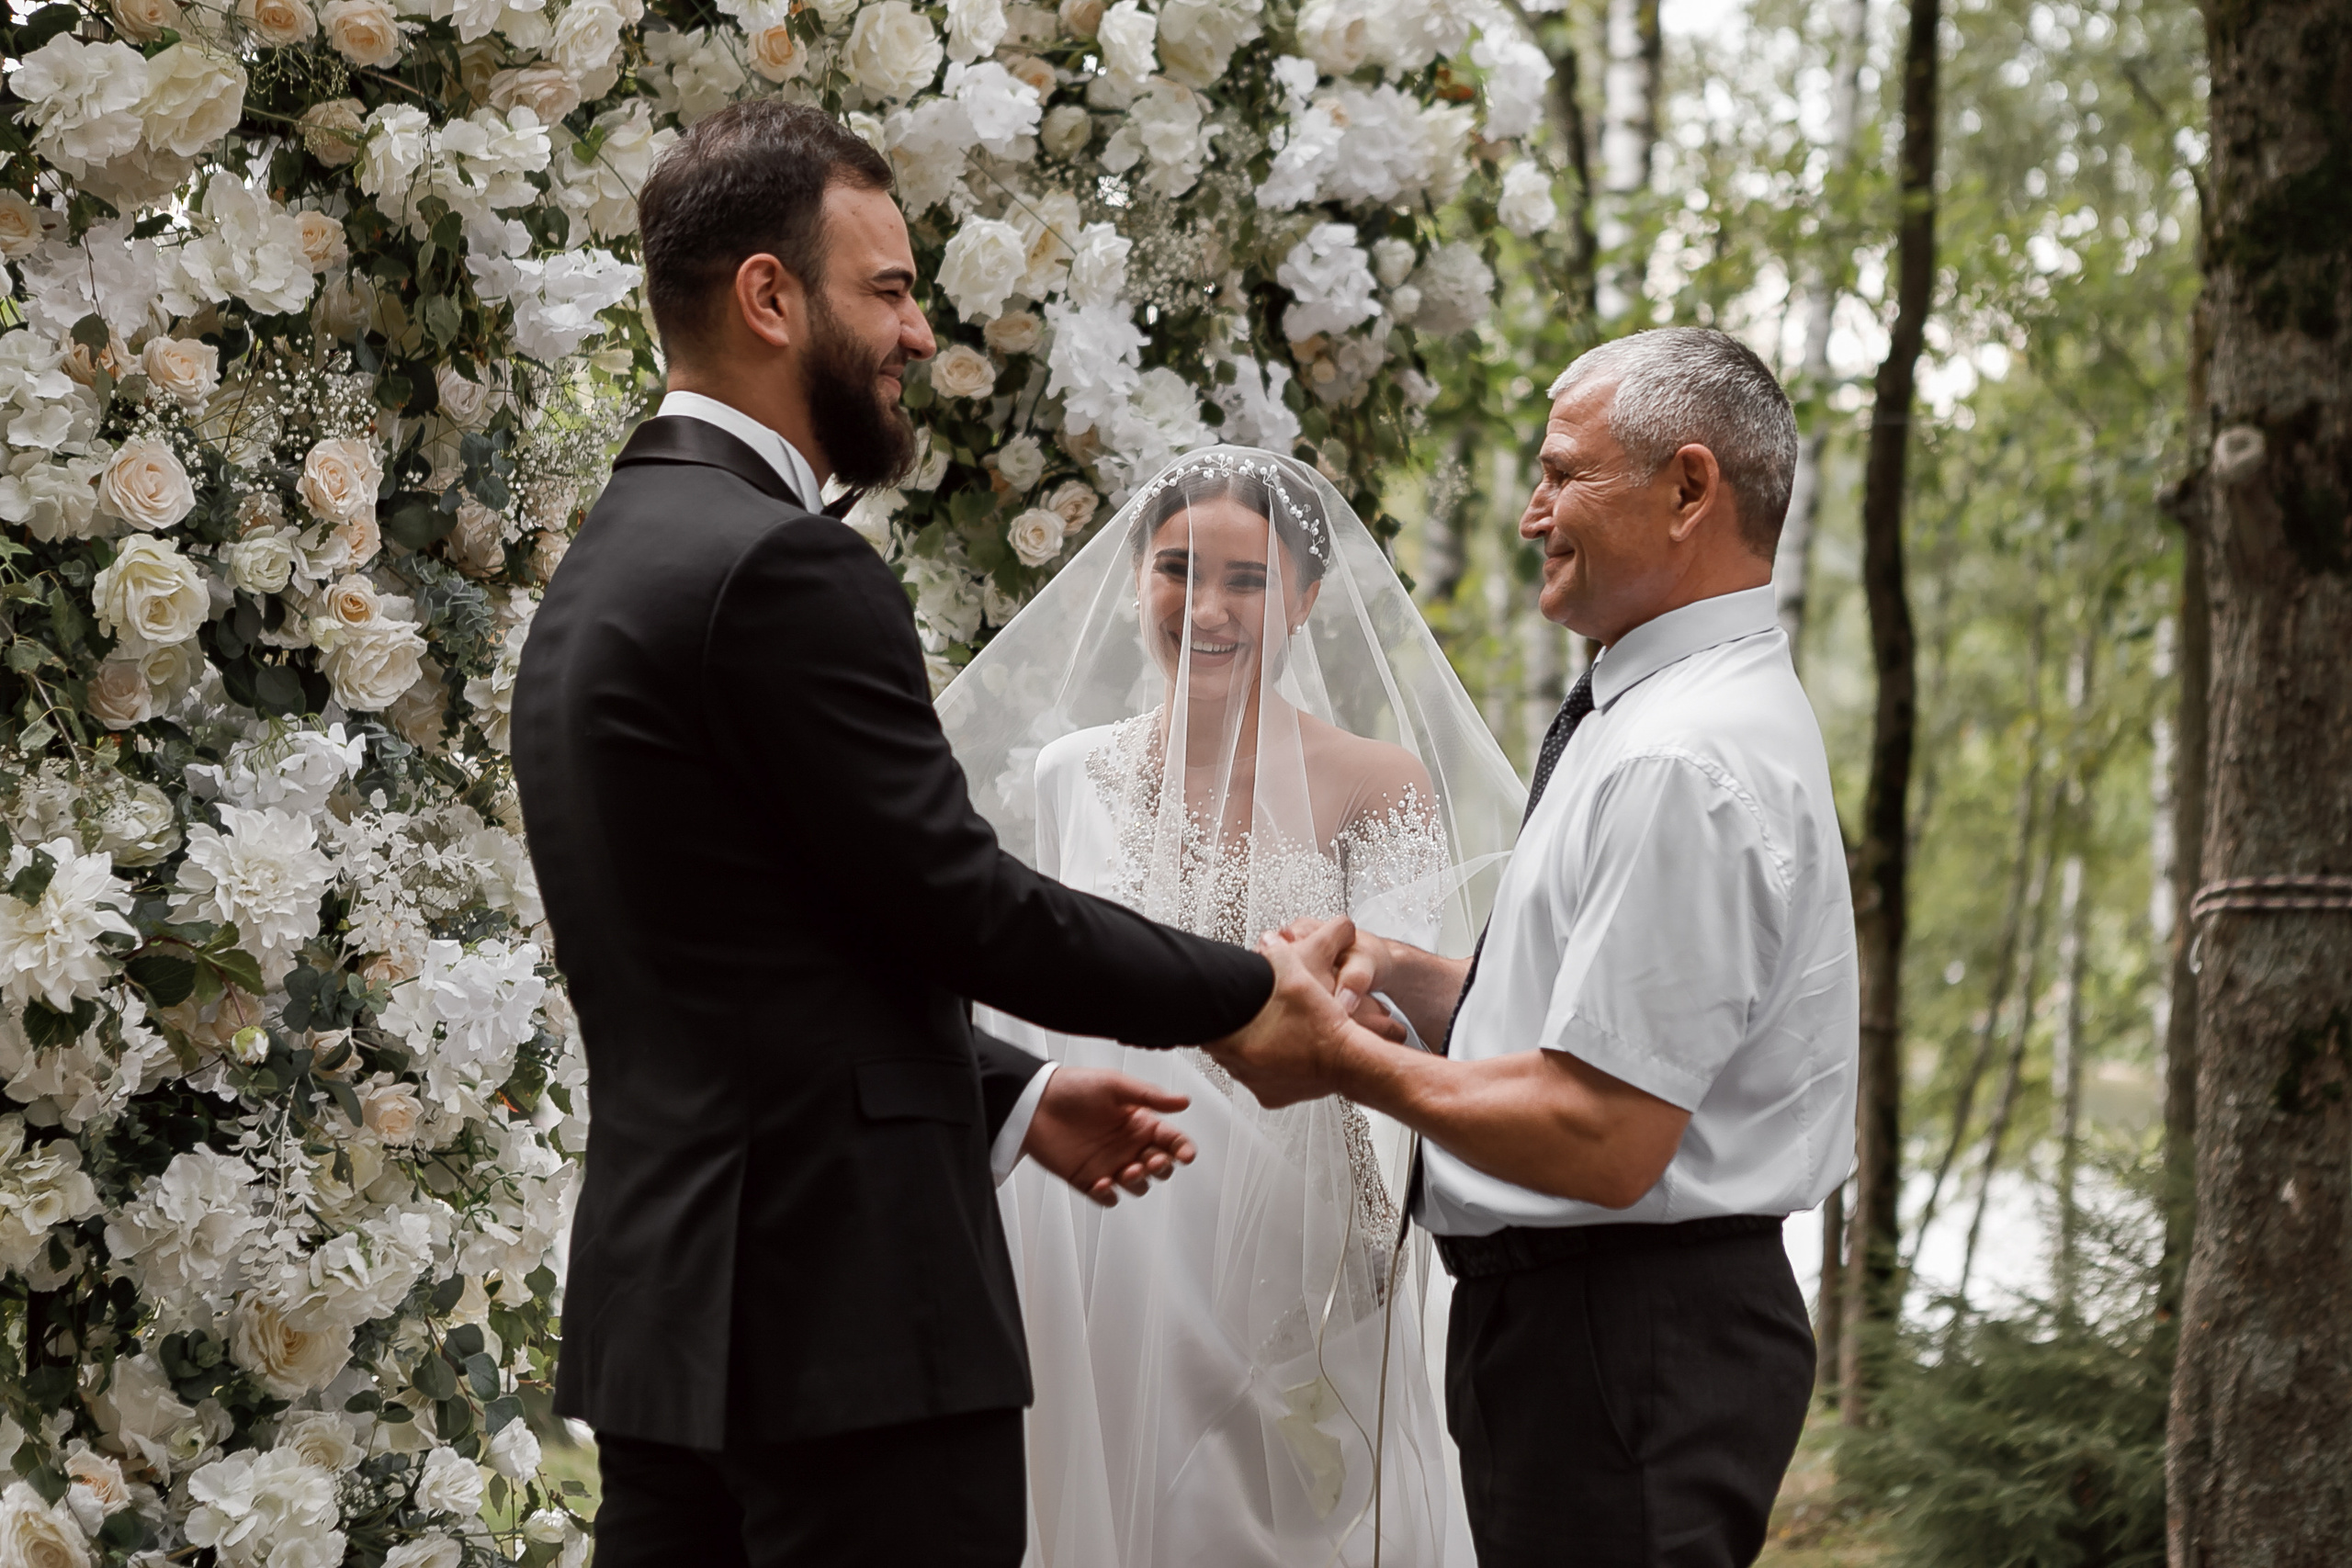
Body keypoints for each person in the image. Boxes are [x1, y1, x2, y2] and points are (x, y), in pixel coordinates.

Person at [509, 100, 1351, 1568]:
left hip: (675, 1326)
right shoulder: (782, 564)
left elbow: (758, 955)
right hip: (848, 1336)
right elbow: (961, 901)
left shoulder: (604, 568)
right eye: (887, 288)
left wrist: (1010, 1098)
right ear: (770, 298)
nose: (916, 331)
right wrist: (1247, 993)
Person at [1207, 328, 1860, 1568]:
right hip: (1599, 1329)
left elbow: (1604, 1134)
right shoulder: (1656, 712)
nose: (1530, 514)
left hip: (1625, 1336)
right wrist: (1402, 971)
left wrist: (1342, 1058)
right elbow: (1589, 1024)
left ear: (1686, 488)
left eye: (1562, 473)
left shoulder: (1685, 757)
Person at [938, 448, 1524, 1565]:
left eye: (1247, 580)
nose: (1205, 606)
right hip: (1104, 1219)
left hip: (1293, 1237)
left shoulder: (1377, 780)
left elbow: (1414, 1025)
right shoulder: (1071, 775)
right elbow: (1035, 1013)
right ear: (1135, 582)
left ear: (1304, 599)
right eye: (1175, 569)